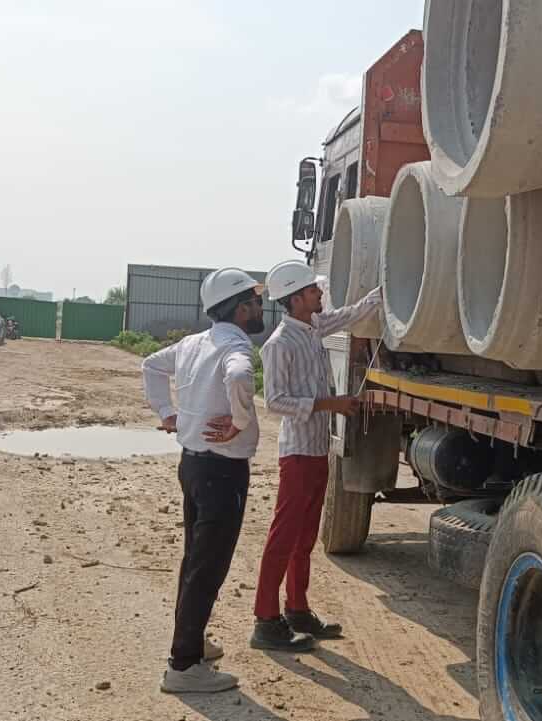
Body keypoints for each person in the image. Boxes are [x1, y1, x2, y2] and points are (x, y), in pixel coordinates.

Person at [141, 267, 265, 694]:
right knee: (207, 567)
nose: (260, 307)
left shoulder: (194, 343)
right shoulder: (236, 345)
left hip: (193, 466)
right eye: (255, 301)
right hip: (222, 470)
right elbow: (238, 377)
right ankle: (183, 665)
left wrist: (167, 413)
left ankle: (191, 642)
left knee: (195, 561)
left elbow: (151, 366)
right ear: (240, 307)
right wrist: (241, 421)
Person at [249, 260, 381, 652]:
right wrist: (329, 404)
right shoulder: (278, 345)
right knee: (283, 537)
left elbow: (352, 313)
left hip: (317, 450)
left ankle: (298, 608)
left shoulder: (315, 327)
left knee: (305, 537)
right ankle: (265, 620)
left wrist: (383, 287)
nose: (320, 295)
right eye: (313, 292)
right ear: (294, 299)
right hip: (297, 454)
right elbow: (274, 401)